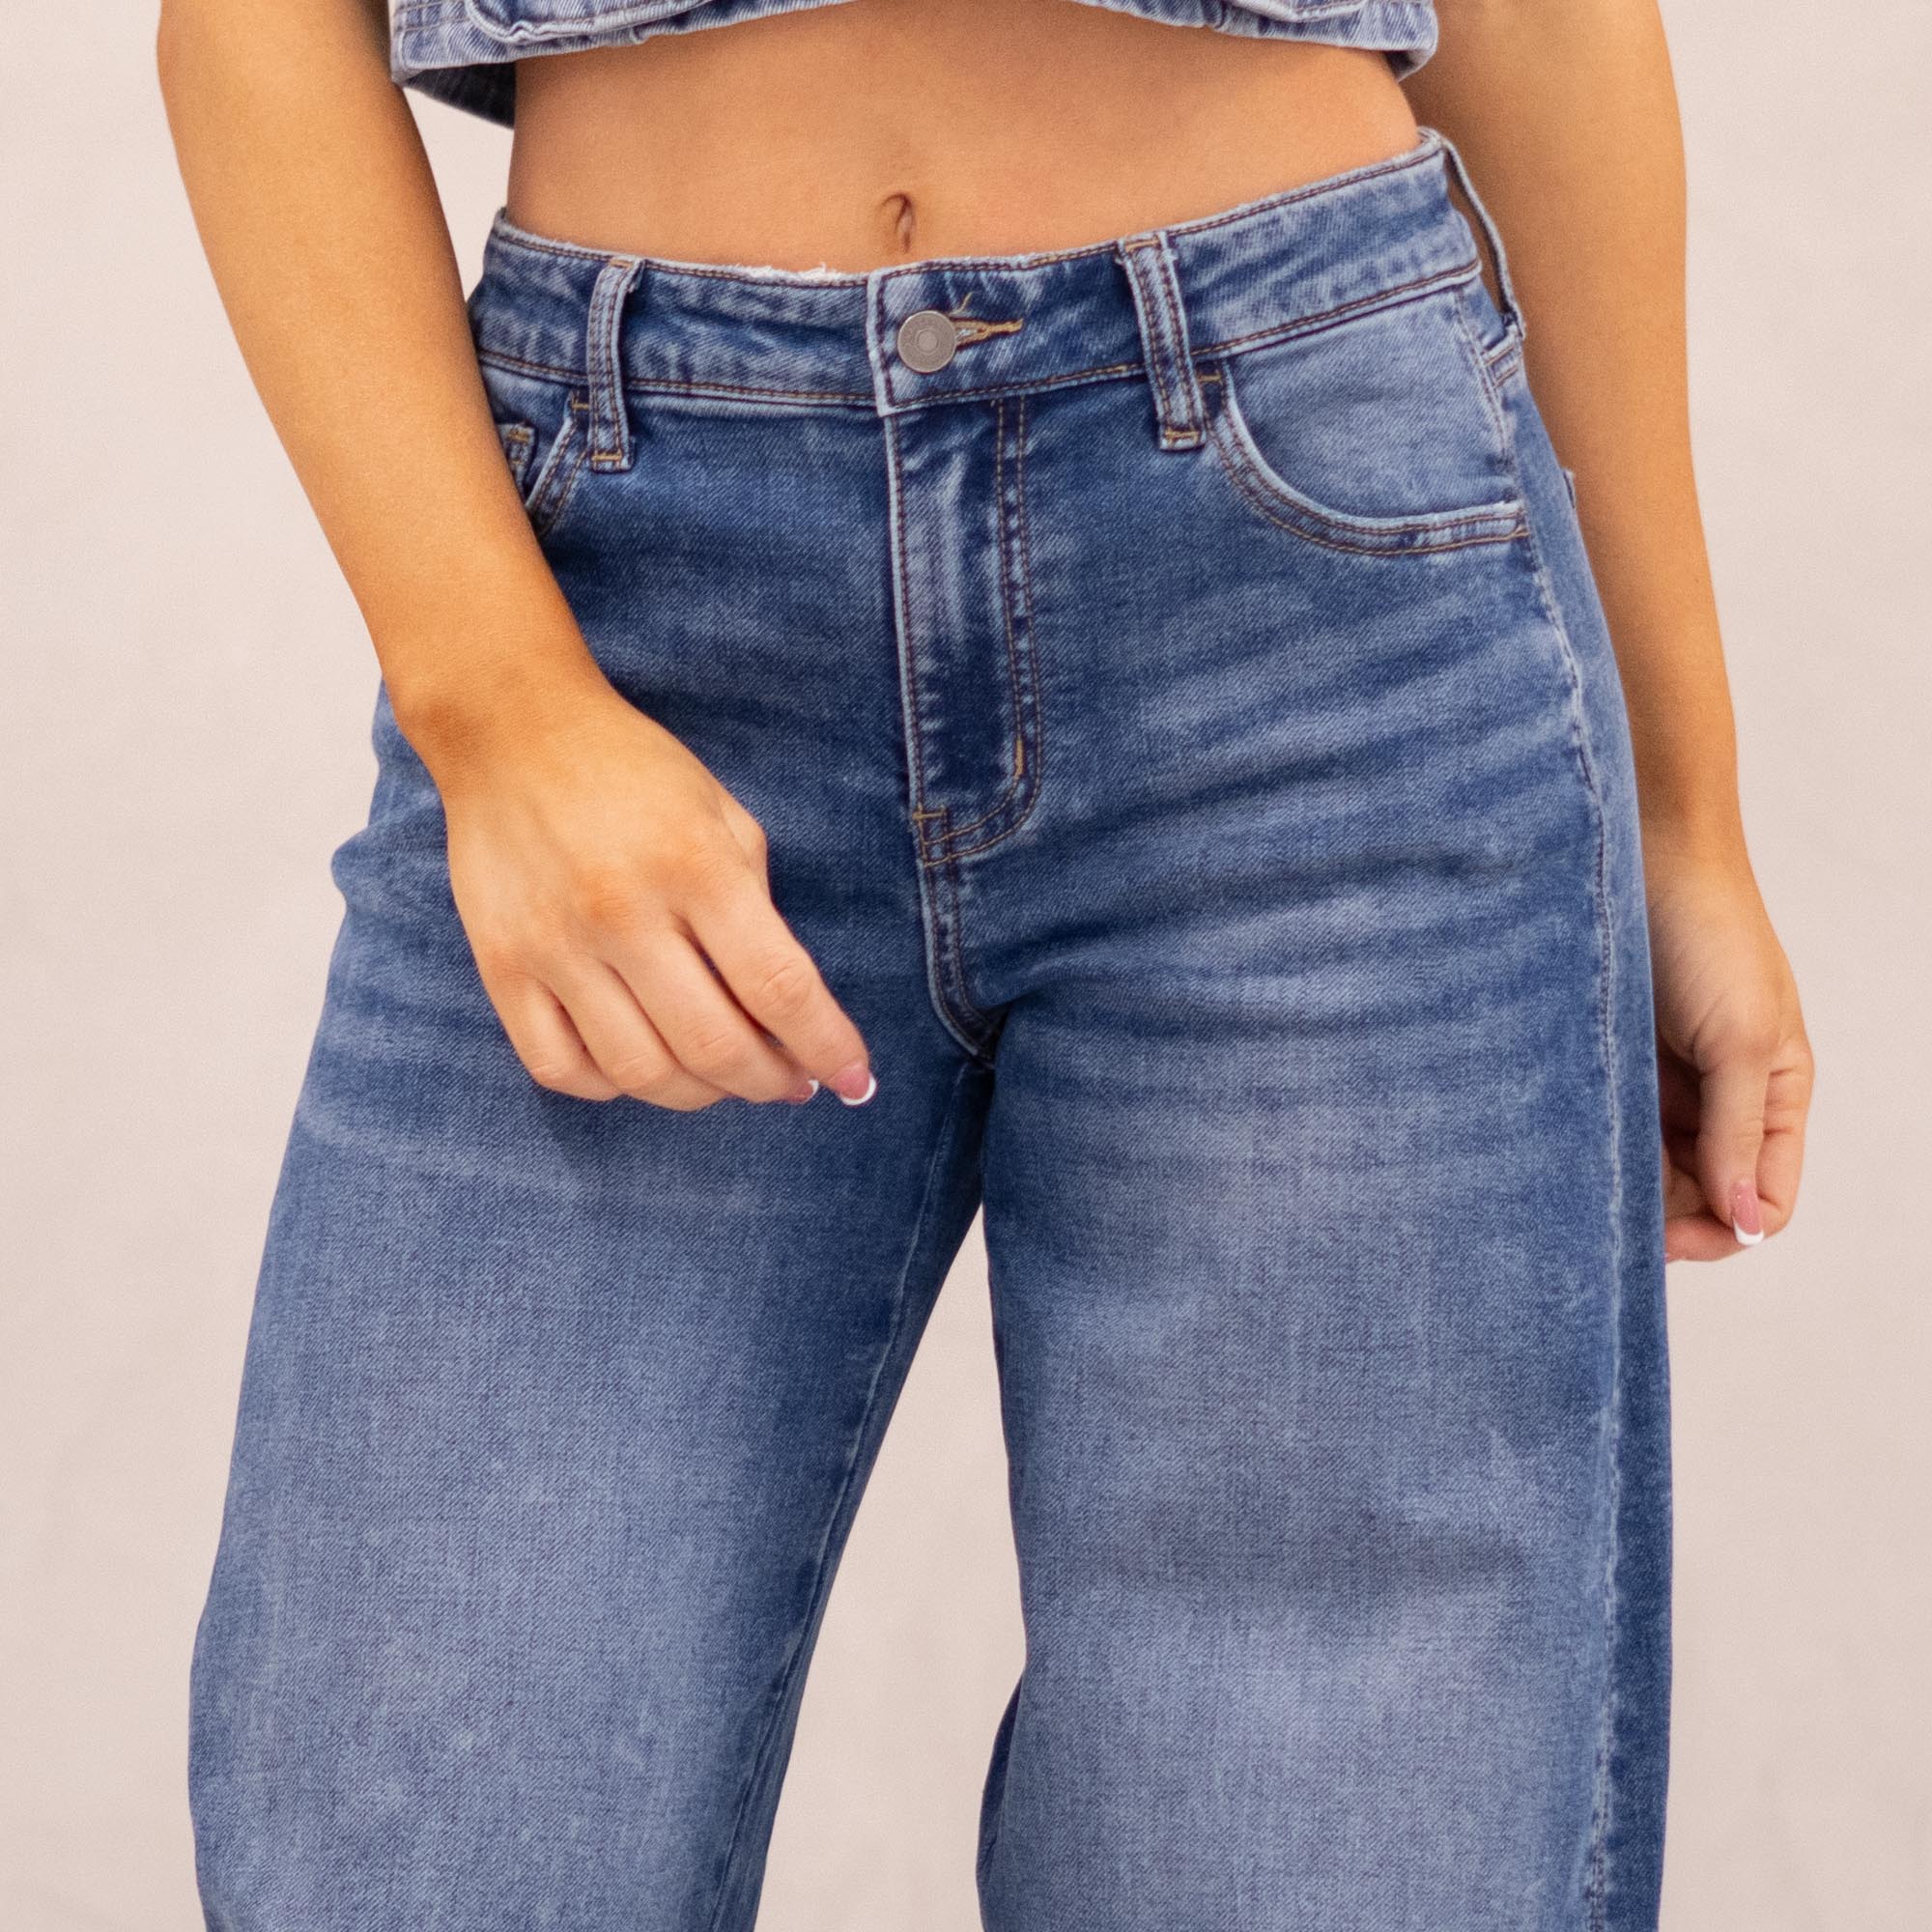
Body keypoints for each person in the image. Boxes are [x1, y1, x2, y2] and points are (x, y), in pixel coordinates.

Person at [158, 2, 1813, 1927]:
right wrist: (498, 704)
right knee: (417, 1844)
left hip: (1320, 583)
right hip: (623, 604)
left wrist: (1684, 817)